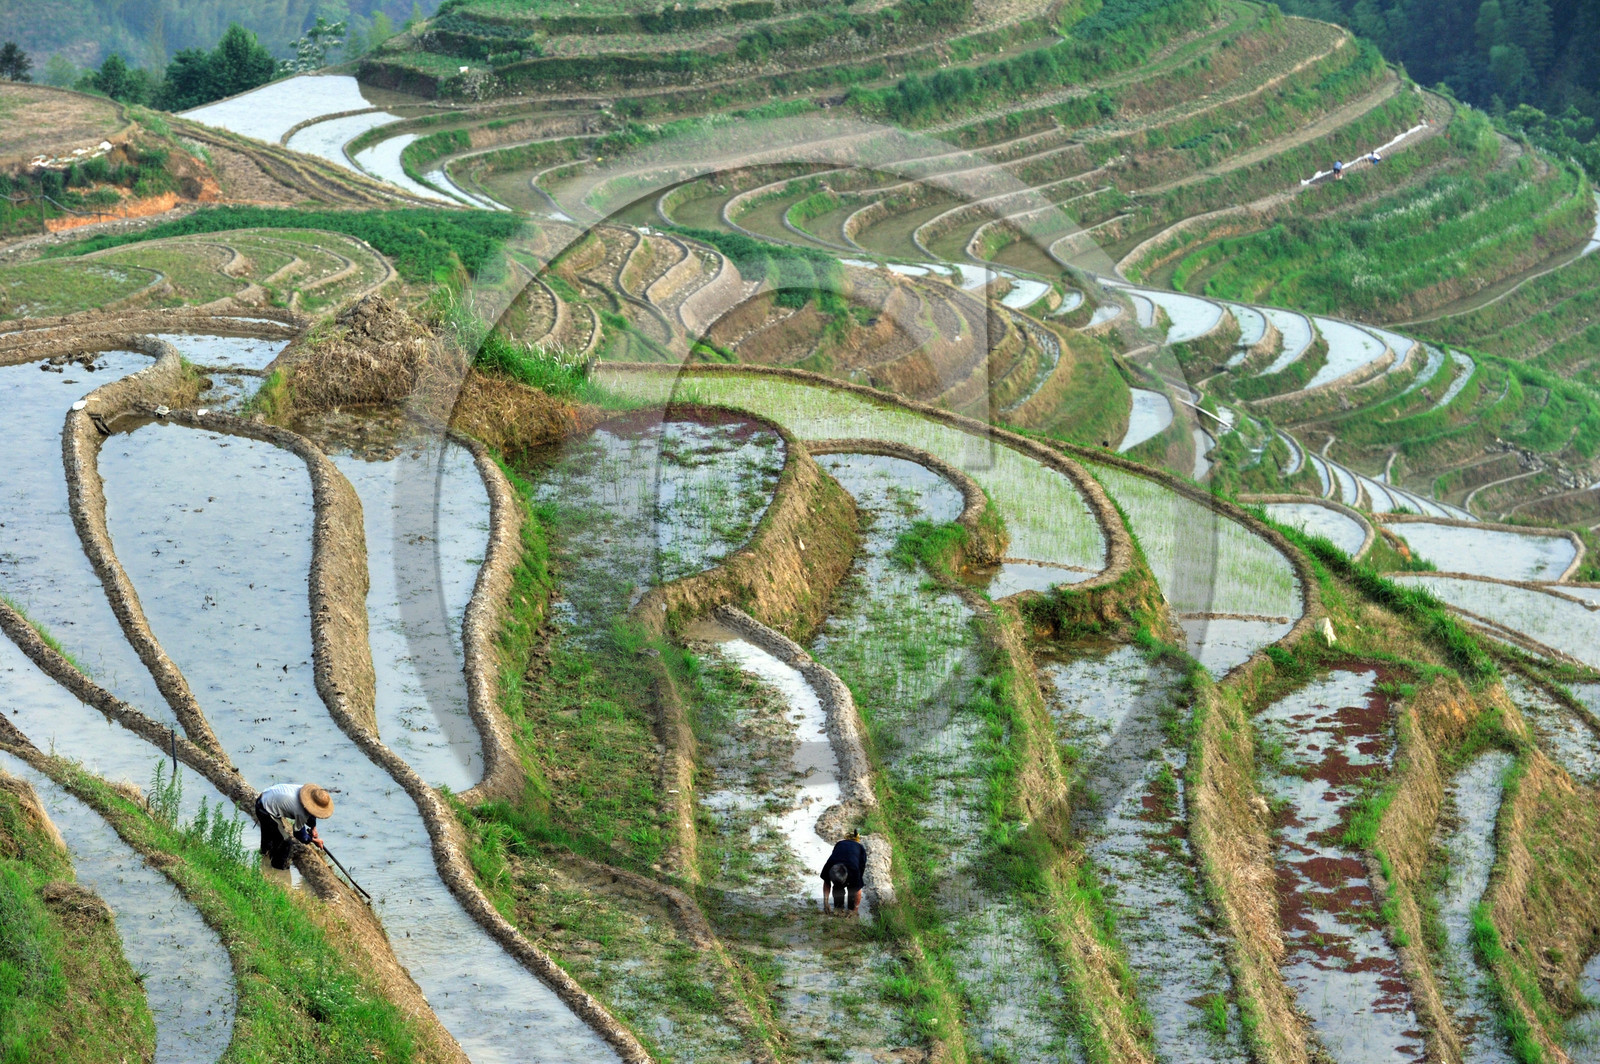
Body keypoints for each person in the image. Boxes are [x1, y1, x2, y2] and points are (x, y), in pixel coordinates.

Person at [255, 782, 333, 871]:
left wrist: (313, 828)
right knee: (285, 842)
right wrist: (314, 840)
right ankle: (278, 870)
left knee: (269, 834)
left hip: (266, 797)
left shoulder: (303, 792)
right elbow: (299, 834)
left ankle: (264, 855)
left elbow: (310, 814)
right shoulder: (300, 812)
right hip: (265, 810)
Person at [819, 829, 867, 913]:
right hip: (841, 855)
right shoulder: (829, 866)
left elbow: (858, 891)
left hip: (855, 861)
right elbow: (827, 883)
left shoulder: (854, 871)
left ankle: (851, 908)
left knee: (853, 890)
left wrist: (855, 911)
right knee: (838, 900)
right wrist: (825, 903)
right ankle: (839, 907)